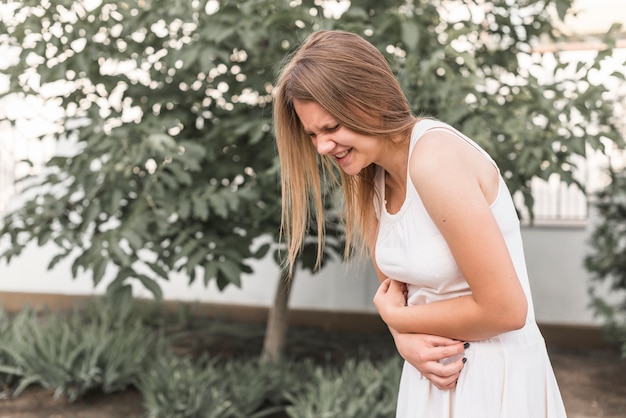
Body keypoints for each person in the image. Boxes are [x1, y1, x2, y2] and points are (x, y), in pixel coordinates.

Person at [273, 30, 567, 417]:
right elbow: (398, 293)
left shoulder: (433, 158)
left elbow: (506, 310)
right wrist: (401, 338)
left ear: (371, 101)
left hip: (494, 382)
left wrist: (395, 319)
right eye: (313, 135)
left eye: (331, 128)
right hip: (430, 378)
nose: (322, 147)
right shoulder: (370, 177)